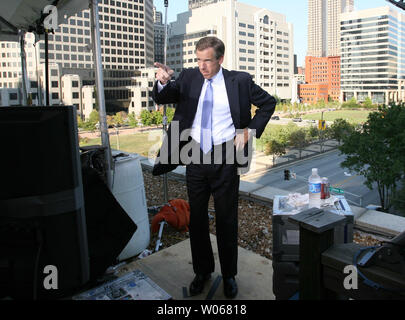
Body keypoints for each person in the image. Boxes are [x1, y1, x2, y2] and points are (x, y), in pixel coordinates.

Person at [152, 36, 276, 299]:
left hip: (225, 156)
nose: (202, 66)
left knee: (226, 218)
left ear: (220, 59)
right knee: (196, 218)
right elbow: (166, 96)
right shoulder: (188, 77)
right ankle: (202, 272)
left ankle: (229, 275)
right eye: (198, 60)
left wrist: (249, 131)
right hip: (194, 153)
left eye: (207, 60)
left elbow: (268, 103)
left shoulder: (239, 81)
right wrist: (163, 82)